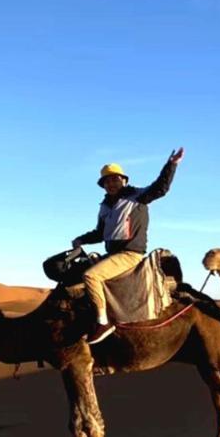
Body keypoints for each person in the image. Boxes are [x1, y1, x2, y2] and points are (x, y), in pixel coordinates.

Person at [72, 147, 184, 344]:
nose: (111, 183)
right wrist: (81, 239)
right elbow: (100, 233)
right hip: (112, 254)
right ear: (103, 185)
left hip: (129, 253)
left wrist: (172, 165)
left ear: (124, 180)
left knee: (91, 275)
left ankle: (103, 322)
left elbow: (161, 188)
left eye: (115, 179)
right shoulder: (105, 207)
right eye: (107, 181)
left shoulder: (137, 196)